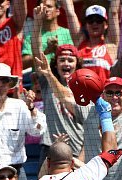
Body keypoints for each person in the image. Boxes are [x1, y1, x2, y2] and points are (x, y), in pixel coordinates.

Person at [32, 8, 84, 168]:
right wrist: (38, 22)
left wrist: (83, 156)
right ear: (56, 64)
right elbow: (35, 50)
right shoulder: (48, 81)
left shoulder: (84, 88)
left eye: (70, 60)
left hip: (76, 149)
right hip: (50, 148)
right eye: (62, 60)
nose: (66, 64)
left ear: (77, 64)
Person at [62, 1, 120, 83]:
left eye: (99, 20)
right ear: (86, 25)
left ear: (106, 25)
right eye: (90, 21)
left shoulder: (110, 45)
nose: (94, 24)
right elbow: (70, 13)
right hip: (81, 93)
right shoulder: (79, 42)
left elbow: (114, 12)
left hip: (104, 94)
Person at [22, 0, 73, 70]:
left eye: (49, 6)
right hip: (41, 77)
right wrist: (46, 51)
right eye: (43, 8)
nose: (46, 10)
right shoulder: (31, 36)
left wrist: (57, 49)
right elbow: (23, 64)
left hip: (63, 76)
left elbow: (74, 57)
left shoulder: (68, 33)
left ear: (58, 11)